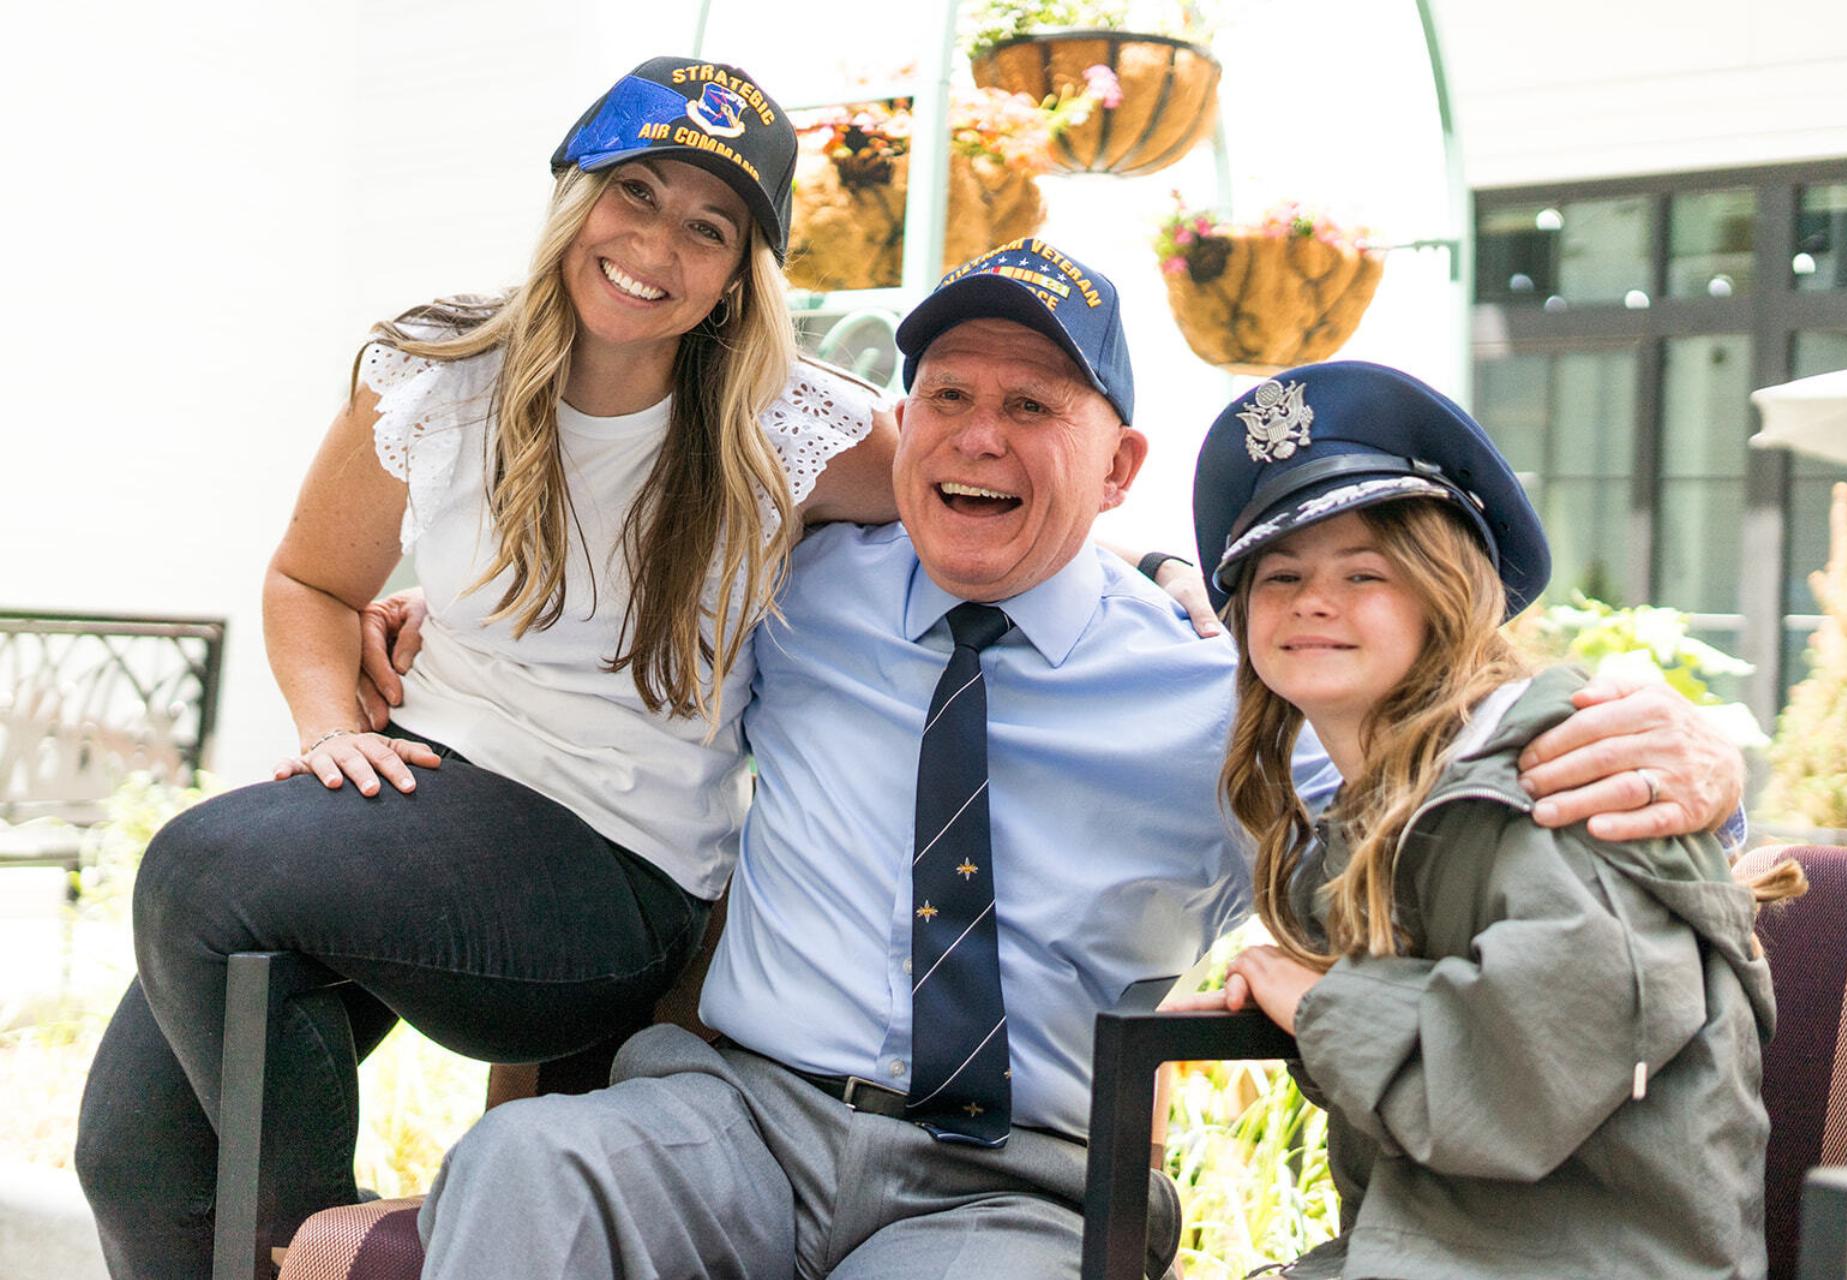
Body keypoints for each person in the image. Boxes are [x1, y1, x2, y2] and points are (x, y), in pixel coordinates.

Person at [403, 241, 1752, 1280]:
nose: (979, 434)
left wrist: (1701, 767)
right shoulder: (794, 592)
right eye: (948, 396)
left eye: (1033, 404)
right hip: (744, 1117)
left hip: (1010, 1182)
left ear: (1120, 467)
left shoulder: (1232, 697)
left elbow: (1449, 789)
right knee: (533, 1163)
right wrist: (414, 631)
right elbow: (584, 639)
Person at [73, 55, 900, 1280]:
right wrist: (330, 728)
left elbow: (977, 503)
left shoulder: (786, 423)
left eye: (708, 227)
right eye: (634, 193)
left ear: (740, 273)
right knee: (136, 1157)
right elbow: (311, 581)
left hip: (613, 867)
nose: (655, 245)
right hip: (422, 800)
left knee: (204, 869)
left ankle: (334, 1252)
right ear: (574, 194)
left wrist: (1152, 573)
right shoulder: (438, 372)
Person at [1179, 361, 1803, 1278]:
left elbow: (1514, 1091)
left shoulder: (1566, 779)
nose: (1313, 600)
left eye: (1365, 571)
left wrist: (1321, 1004)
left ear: (1447, 595)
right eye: (1280, 574)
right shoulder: (1377, 816)